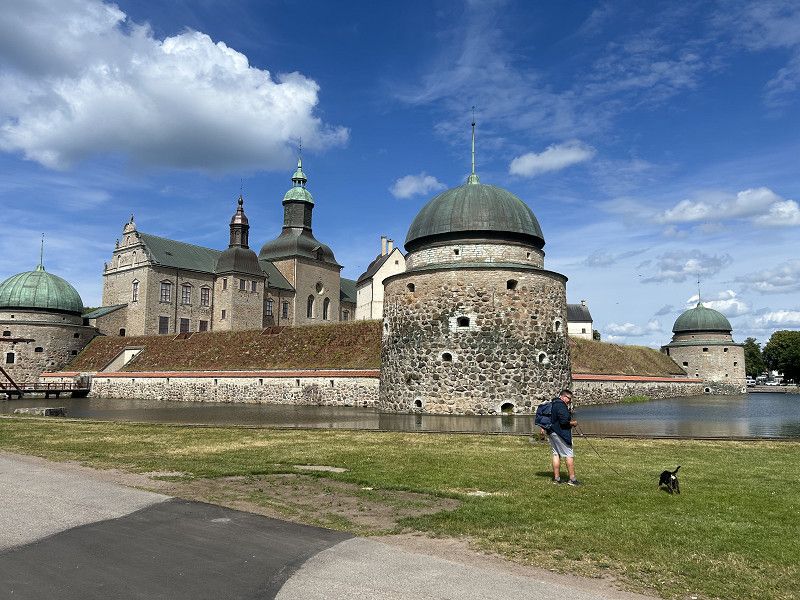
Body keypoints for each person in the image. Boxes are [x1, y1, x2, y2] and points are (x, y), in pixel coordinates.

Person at [549, 389, 580, 486]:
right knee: (569, 455)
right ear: (563, 396)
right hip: (561, 433)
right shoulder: (561, 406)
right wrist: (573, 423)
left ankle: (557, 479)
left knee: (556, 454)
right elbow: (563, 422)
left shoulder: (553, 403)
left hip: (552, 432)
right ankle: (572, 479)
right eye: (569, 398)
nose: (570, 401)